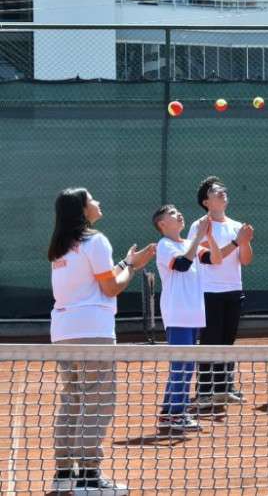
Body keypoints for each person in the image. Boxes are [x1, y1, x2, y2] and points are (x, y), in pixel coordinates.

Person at [47, 188, 154, 494]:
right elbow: (109, 289)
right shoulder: (96, 240)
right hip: (93, 330)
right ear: (83, 209)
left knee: (72, 400)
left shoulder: (60, 248)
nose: (98, 203)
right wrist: (132, 268)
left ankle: (64, 474)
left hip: (64, 332)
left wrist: (125, 262)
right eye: (92, 199)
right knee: (97, 401)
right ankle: (90, 477)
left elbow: (95, 280)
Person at [154, 204, 219, 432]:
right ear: (162, 224)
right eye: (172, 214)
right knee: (181, 365)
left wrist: (209, 237)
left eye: (178, 211)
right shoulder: (164, 245)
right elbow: (182, 264)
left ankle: (169, 412)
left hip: (193, 315)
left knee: (185, 365)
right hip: (177, 314)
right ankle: (177, 413)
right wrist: (199, 236)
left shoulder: (189, 245)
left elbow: (215, 259)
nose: (178, 214)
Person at [191, 177, 254, 407]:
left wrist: (244, 243)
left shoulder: (237, 226)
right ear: (206, 202)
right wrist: (237, 242)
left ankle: (224, 387)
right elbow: (211, 260)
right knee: (210, 341)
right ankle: (204, 391)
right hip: (209, 292)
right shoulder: (199, 226)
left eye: (223, 190)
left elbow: (245, 261)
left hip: (234, 291)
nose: (222, 193)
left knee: (227, 341)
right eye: (216, 191)